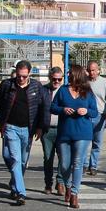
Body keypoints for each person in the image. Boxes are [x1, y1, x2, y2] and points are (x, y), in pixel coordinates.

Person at [0, 60, 49, 205]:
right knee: (15, 159)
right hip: (11, 128)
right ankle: (21, 193)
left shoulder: (36, 86)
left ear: (29, 73)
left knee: (22, 161)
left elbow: (43, 107)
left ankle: (14, 184)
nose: (21, 78)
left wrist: (40, 127)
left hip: (28, 130)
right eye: (19, 75)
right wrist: (2, 119)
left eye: (24, 76)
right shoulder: (7, 85)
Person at [51, 65, 100, 209]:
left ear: (77, 75)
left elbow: (95, 112)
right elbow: (52, 107)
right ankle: (67, 185)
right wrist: (63, 109)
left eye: (71, 74)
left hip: (83, 133)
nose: (68, 76)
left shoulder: (87, 92)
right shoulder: (63, 90)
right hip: (65, 132)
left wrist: (86, 111)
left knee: (78, 163)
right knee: (65, 164)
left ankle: (74, 193)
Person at [85, 60, 106, 177]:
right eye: (89, 70)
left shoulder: (104, 83)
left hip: (100, 116)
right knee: (84, 141)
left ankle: (93, 166)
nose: (91, 72)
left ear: (98, 70)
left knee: (96, 143)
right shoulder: (85, 83)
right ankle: (83, 164)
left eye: (93, 70)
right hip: (86, 116)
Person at [41, 66, 65, 195]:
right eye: (54, 79)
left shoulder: (65, 91)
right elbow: (38, 109)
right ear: (50, 78)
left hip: (63, 130)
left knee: (63, 157)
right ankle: (48, 184)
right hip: (47, 130)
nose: (56, 82)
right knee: (48, 158)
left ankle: (60, 182)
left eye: (59, 79)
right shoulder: (43, 90)